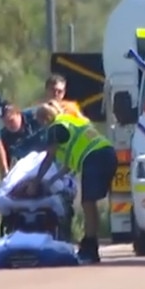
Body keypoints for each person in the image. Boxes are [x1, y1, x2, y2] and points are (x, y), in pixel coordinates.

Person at [26, 103, 118, 263]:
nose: (41, 126)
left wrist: (36, 181)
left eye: (40, 122)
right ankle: (90, 244)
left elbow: (48, 158)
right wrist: (53, 180)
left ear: (45, 118)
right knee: (90, 203)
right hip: (106, 153)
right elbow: (69, 163)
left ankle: (90, 245)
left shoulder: (55, 128)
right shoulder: (70, 121)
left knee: (88, 203)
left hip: (95, 156)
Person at [0, 104, 43, 177]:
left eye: (11, 121)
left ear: (19, 114)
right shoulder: (4, 137)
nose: (9, 125)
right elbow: (6, 163)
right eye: (5, 123)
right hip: (27, 168)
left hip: (47, 160)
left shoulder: (36, 116)